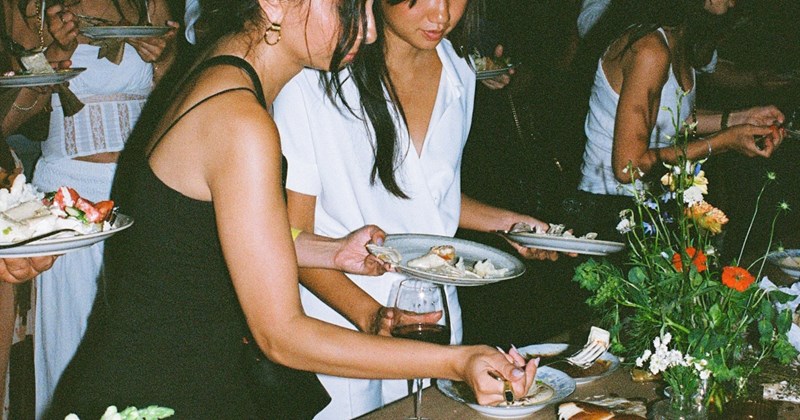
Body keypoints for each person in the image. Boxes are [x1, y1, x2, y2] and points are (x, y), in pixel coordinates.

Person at [45, 0, 538, 418]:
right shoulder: (241, 119)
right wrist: (457, 362)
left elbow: (194, 240)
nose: (368, 31)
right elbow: (280, 336)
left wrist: (328, 251)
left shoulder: (220, 72)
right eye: (349, 7)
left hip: (156, 373)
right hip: (164, 392)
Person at [275, 1, 559, 417]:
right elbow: (289, 238)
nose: (441, 15)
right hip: (339, 321)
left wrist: (510, 224)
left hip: (433, 312)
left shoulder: (459, 73)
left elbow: (429, 196)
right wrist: (371, 316)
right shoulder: (314, 78)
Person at [7, 0, 179, 415]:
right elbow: (6, 120)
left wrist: (165, 58)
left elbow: (176, 97)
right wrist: (53, 57)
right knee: (72, 344)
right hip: (68, 197)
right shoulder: (34, 8)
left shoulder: (147, 4)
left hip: (141, 188)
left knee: (144, 341)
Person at [573, 0, 785, 240]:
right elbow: (628, 168)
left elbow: (672, 118)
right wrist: (722, 142)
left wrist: (742, 119)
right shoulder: (649, 48)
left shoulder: (676, 36)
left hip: (649, 206)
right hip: (609, 213)